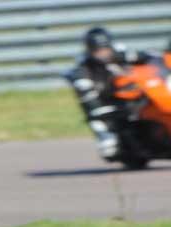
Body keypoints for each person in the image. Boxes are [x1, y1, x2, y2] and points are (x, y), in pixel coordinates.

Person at [65, 27, 157, 160]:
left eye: (105, 49)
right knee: (89, 101)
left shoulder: (121, 53)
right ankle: (107, 138)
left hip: (135, 96)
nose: (103, 53)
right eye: (98, 50)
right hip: (108, 103)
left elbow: (150, 57)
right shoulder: (83, 68)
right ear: (90, 50)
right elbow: (86, 94)